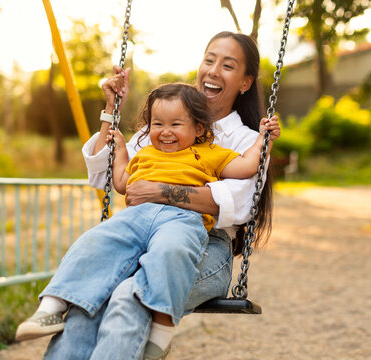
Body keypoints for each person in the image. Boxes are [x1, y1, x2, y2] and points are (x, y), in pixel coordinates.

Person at [40, 31, 277, 360]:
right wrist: (112, 107)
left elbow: (237, 205)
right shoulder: (168, 122)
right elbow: (103, 174)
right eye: (209, 60)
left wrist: (161, 191)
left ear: (245, 82)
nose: (213, 70)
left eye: (227, 65)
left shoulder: (247, 141)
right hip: (142, 235)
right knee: (90, 299)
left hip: (204, 249)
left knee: (129, 294)